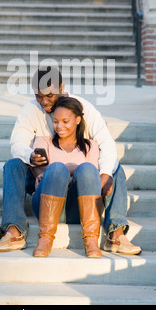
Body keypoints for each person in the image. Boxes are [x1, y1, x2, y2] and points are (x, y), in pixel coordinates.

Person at [0, 65, 141, 255]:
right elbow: (17, 144)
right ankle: (14, 231)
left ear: (61, 87)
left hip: (80, 185)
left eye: (49, 96)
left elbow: (106, 143)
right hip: (43, 177)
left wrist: (103, 174)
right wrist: (30, 156)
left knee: (113, 168)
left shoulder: (83, 108)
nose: (44, 102)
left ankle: (116, 234)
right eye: (38, 96)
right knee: (13, 165)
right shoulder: (30, 111)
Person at [31, 96, 102, 258]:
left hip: (76, 209)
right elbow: (43, 175)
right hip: (44, 206)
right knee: (57, 168)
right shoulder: (43, 142)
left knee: (87, 169)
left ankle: (91, 240)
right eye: (55, 121)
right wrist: (67, 170)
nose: (59, 126)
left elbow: (91, 178)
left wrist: (71, 169)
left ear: (77, 120)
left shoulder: (91, 146)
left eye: (65, 121)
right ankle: (45, 239)